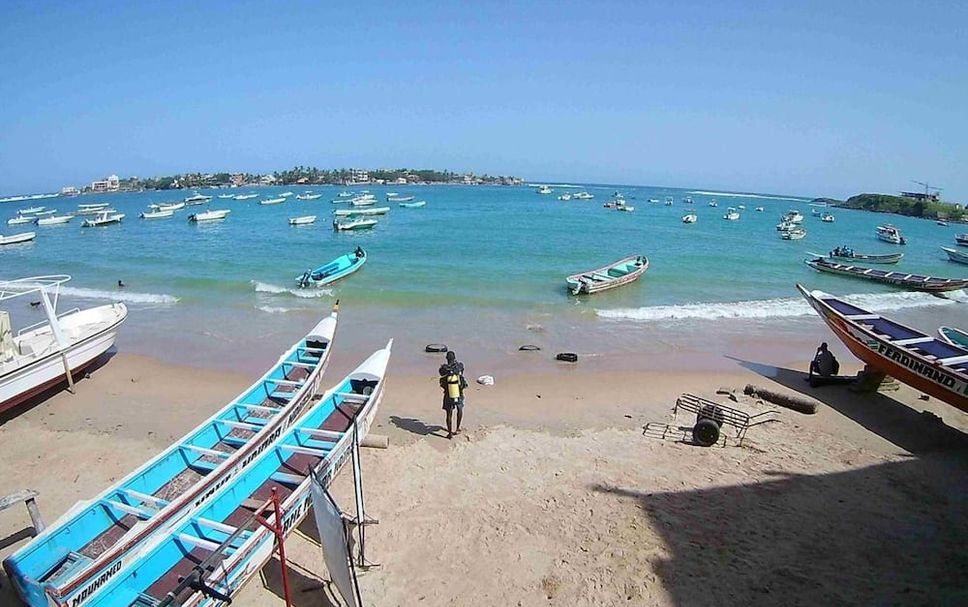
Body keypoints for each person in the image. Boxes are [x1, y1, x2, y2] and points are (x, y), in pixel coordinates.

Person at [438, 350, 467, 439]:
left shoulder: (444, 369)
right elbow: (462, 368)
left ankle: (450, 434)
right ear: (454, 358)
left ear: (446, 358)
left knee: (449, 414)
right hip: (459, 392)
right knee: (460, 409)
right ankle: (457, 428)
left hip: (448, 394)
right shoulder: (459, 366)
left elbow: (441, 372)